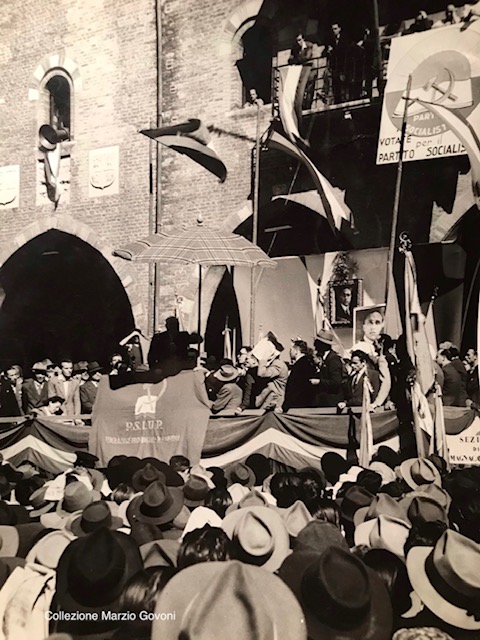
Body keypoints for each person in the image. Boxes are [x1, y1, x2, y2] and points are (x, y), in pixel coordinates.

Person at [310, 330, 345, 407]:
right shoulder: (326, 359)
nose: (314, 345)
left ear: (323, 345)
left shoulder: (333, 360)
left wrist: (319, 382)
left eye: (317, 342)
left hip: (331, 402)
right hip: (326, 401)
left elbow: (336, 382)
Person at [282, 340, 317, 412]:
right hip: (304, 404)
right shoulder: (307, 363)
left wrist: (286, 406)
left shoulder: (300, 365)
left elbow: (295, 387)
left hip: (298, 405)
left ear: (296, 351)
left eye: (291, 350)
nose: (290, 352)